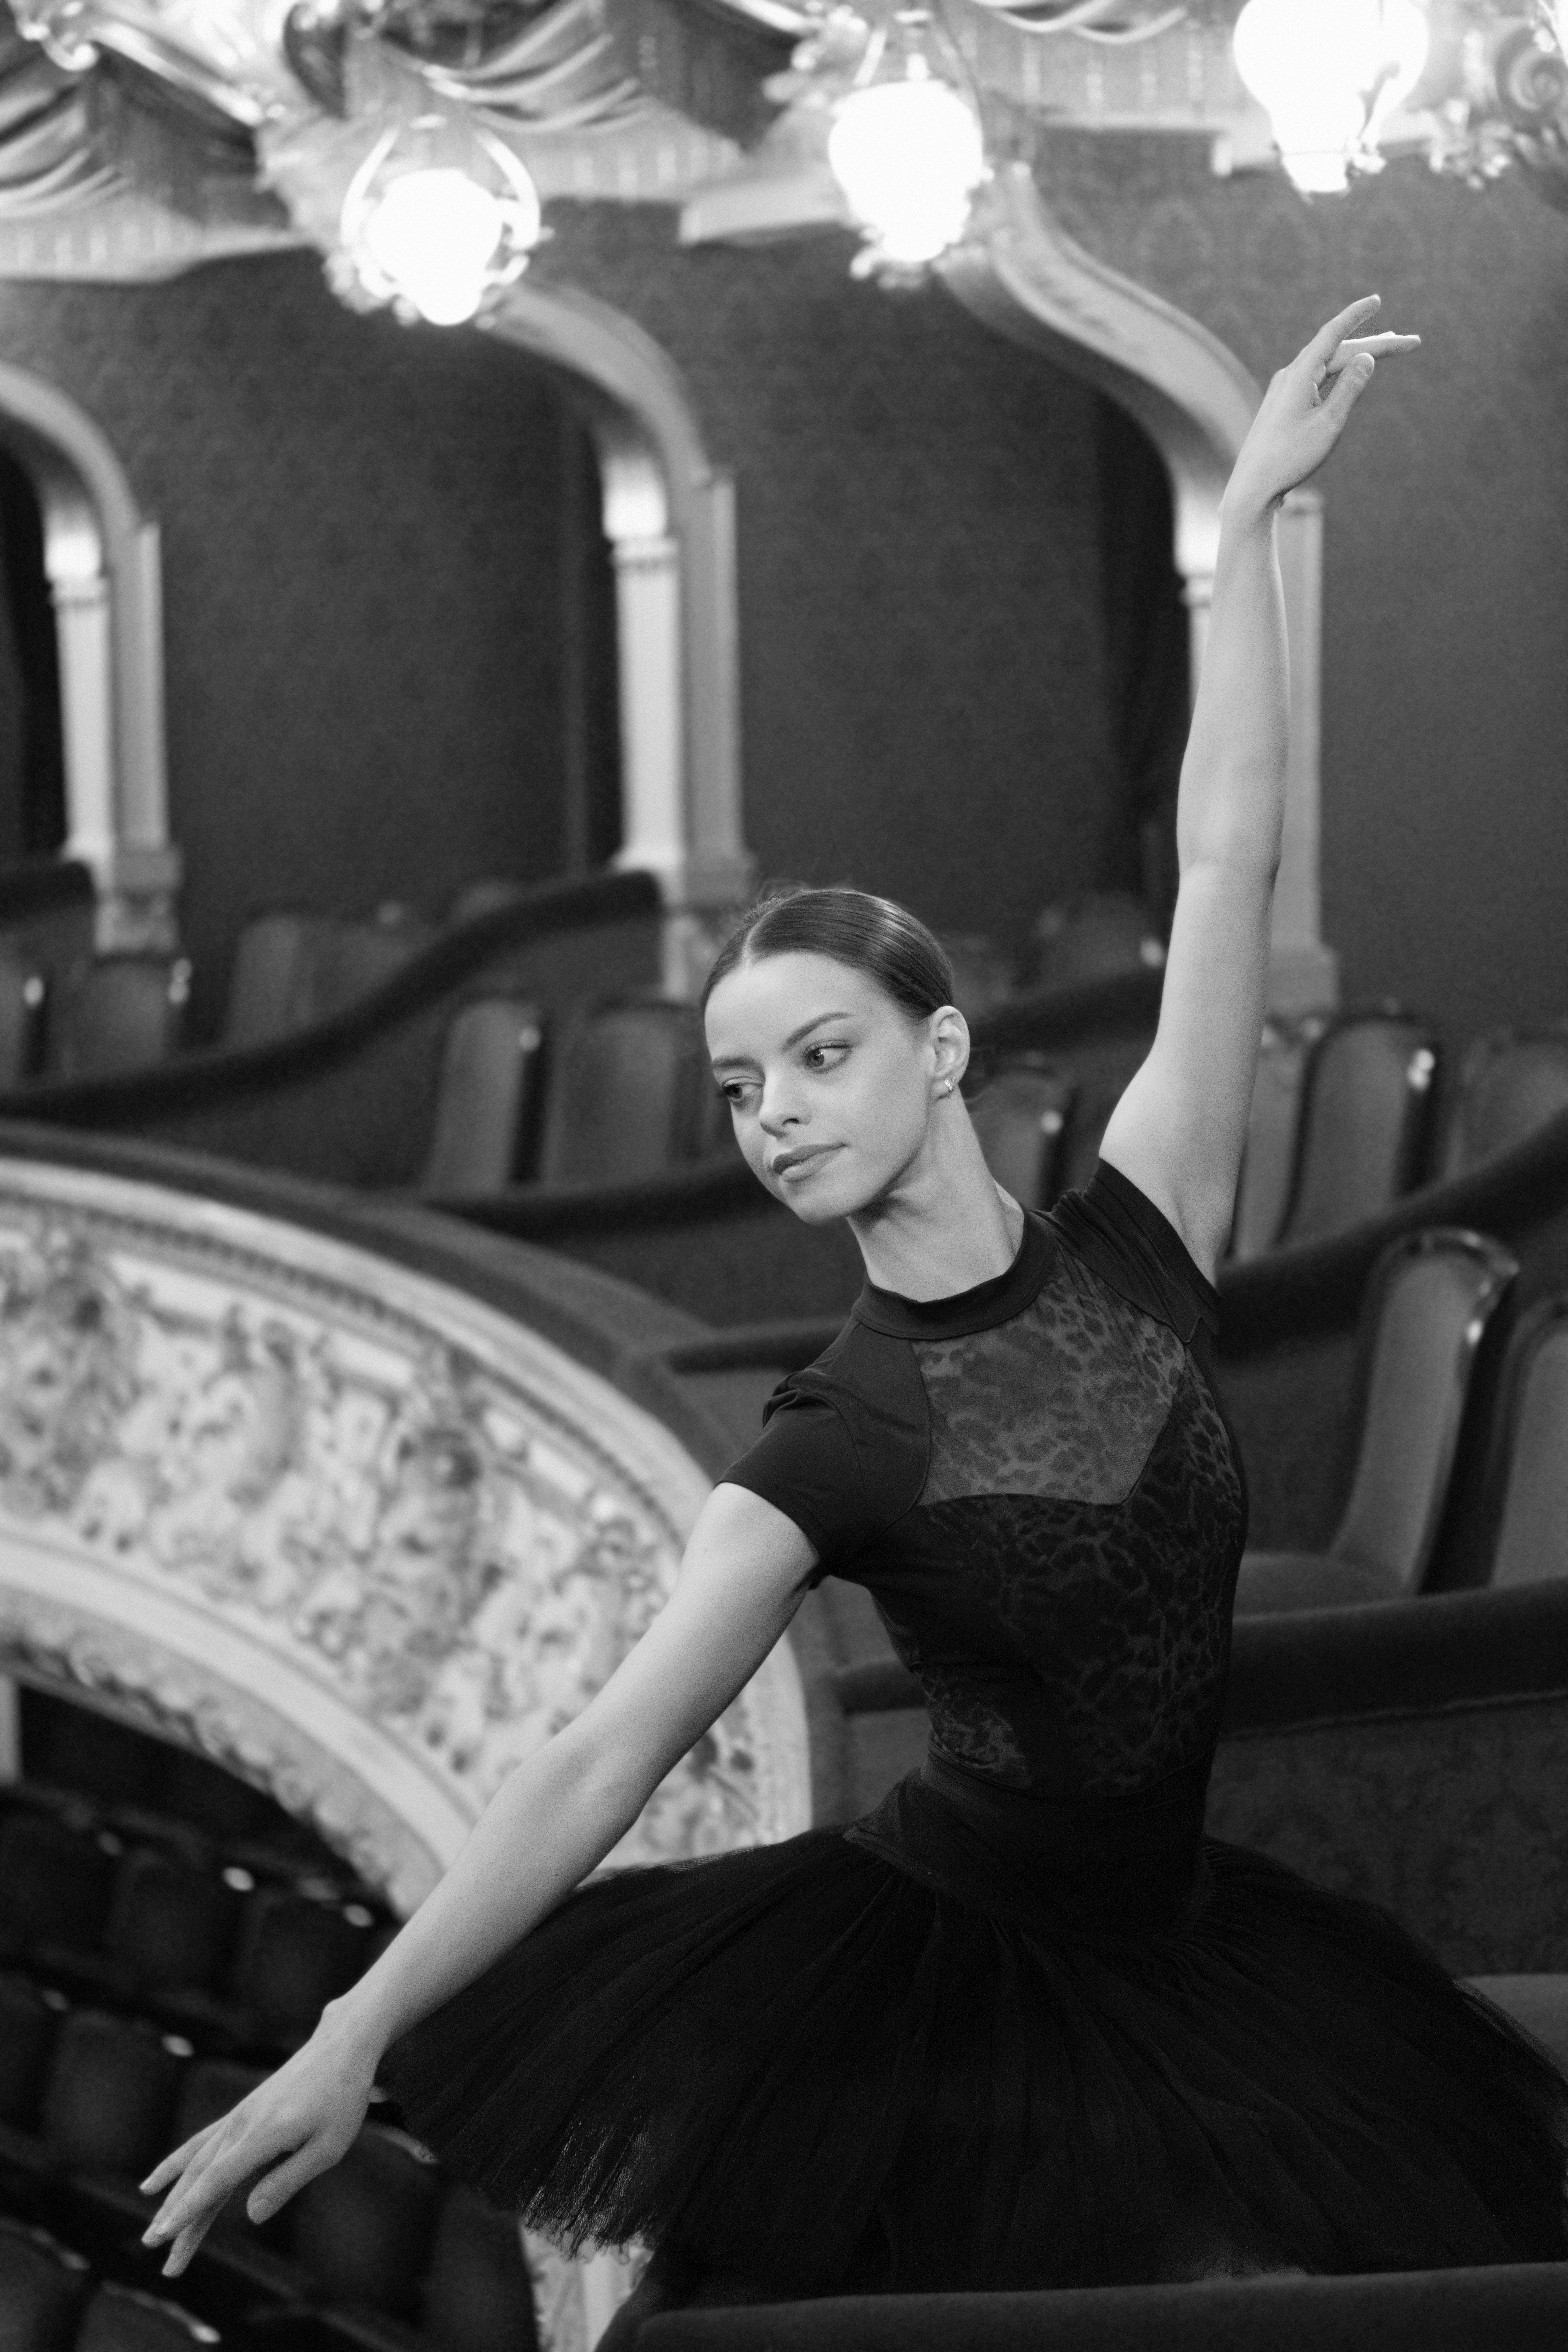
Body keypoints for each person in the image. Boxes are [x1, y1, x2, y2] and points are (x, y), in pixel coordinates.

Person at [138, 298, 1568, 2327]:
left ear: (943, 1046)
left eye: (815, 1057)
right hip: (953, 1996)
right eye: (736, 1086)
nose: (771, 1115)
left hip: (1195, 1948)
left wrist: (1243, 536)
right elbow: (600, 1754)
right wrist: (350, 2034)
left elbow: (1228, 851)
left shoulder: (1145, 1228)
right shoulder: (840, 1425)